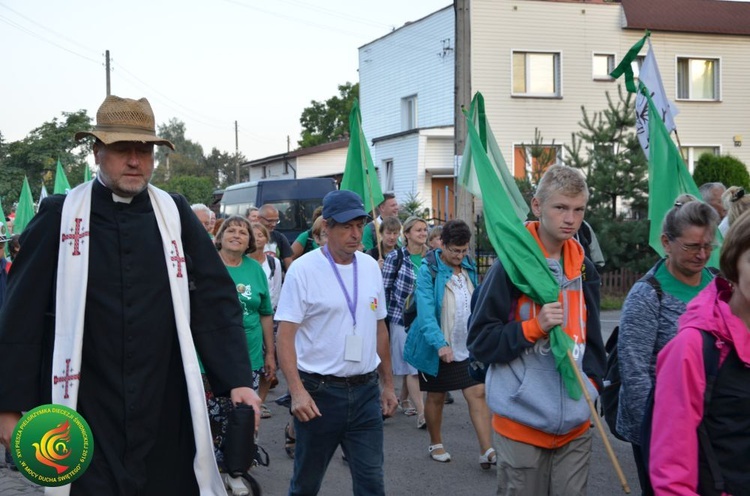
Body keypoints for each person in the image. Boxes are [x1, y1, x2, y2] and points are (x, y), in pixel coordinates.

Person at [0, 95, 260, 495]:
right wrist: (7, 406)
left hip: (164, 403)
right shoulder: (60, 215)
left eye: (144, 150)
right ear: (97, 151)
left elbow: (215, 301)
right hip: (88, 403)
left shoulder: (174, 214)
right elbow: (21, 313)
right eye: (123, 149)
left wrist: (237, 380)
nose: (135, 160)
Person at [467, 165, 605, 495]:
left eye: (578, 210)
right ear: (537, 206)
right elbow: (481, 342)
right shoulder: (510, 266)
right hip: (521, 424)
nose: (570, 219)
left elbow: (595, 340)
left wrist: (593, 386)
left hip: (575, 425)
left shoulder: (584, 268)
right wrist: (533, 327)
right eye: (560, 208)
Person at [276, 190, 398, 496]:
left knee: (372, 482)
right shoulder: (303, 270)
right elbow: (285, 336)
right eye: (347, 226)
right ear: (326, 227)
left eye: (360, 225)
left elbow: (380, 328)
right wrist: (297, 392)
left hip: (366, 392)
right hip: (319, 395)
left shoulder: (370, 266)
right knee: (306, 483)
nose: (356, 234)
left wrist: (388, 385)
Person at [617, 195, 719, 494]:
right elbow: (635, 374)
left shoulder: (717, 285)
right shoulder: (647, 296)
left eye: (707, 246)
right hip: (662, 427)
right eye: (691, 246)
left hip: (709, 425)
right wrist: (658, 434)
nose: (701, 255)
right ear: (666, 242)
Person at [649, 210, 750, 495]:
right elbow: (671, 471)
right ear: (733, 265)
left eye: (706, 246)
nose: (700, 254)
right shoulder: (694, 347)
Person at [404, 219, 494, 467]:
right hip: (438, 347)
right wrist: (440, 344)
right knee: (436, 396)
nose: (460, 255)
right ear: (442, 244)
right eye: (455, 250)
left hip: (467, 345)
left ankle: (486, 450)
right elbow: (425, 312)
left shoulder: (469, 266)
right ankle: (436, 443)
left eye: (464, 250)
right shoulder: (428, 269)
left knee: (477, 392)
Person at [210, 215, 275, 495]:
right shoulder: (206, 264)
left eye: (243, 232)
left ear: (250, 241)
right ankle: (210, 470)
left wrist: (270, 353)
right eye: (231, 230)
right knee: (211, 416)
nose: (236, 235)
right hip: (209, 356)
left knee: (241, 416)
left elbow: (265, 313)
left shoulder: (256, 269)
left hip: (248, 354)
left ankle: (236, 470)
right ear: (220, 236)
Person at [382, 216, 428, 428]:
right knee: (412, 367)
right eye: (418, 230)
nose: (422, 233)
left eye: (425, 230)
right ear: (407, 234)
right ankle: (422, 414)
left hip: (426, 320)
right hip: (402, 319)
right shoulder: (396, 257)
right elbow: (385, 287)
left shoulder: (432, 257)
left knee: (414, 364)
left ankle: (404, 398)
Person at [248, 221, 283, 419]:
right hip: (251, 316)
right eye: (254, 234)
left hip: (270, 315)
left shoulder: (273, 262)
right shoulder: (243, 261)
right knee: (253, 361)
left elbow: (276, 288)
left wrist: (272, 313)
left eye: (261, 234)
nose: (258, 237)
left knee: (269, 360)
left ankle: (260, 401)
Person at [259, 204, 293, 270]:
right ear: (259, 218)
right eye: (270, 221)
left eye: (276, 221)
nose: (273, 224)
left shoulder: (280, 238)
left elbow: (289, 264)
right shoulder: (248, 237)